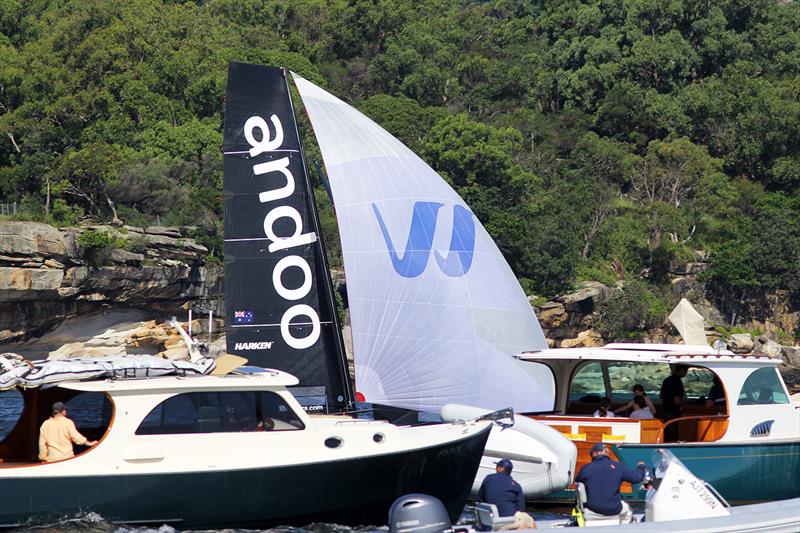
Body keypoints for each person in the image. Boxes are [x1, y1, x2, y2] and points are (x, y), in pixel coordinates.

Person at [575, 443, 647, 524]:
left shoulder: (585, 469)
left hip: (591, 510)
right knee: (628, 512)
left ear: (595, 453)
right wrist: (641, 467)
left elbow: (577, 483)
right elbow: (637, 478)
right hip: (614, 509)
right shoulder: (619, 466)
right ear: (607, 453)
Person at [477, 459, 536, 530]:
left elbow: (480, 499)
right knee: (528, 519)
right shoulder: (516, 486)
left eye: (497, 466)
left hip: (489, 522)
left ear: (500, 468)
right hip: (509, 523)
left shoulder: (488, 478)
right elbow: (521, 509)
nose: (495, 468)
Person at [659, 364, 688, 442]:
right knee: (673, 434)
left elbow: (661, 396)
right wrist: (688, 402)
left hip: (665, 409)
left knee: (665, 434)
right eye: (686, 371)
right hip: (673, 412)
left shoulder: (667, 380)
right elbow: (677, 400)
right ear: (681, 370)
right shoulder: (677, 382)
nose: (686, 373)